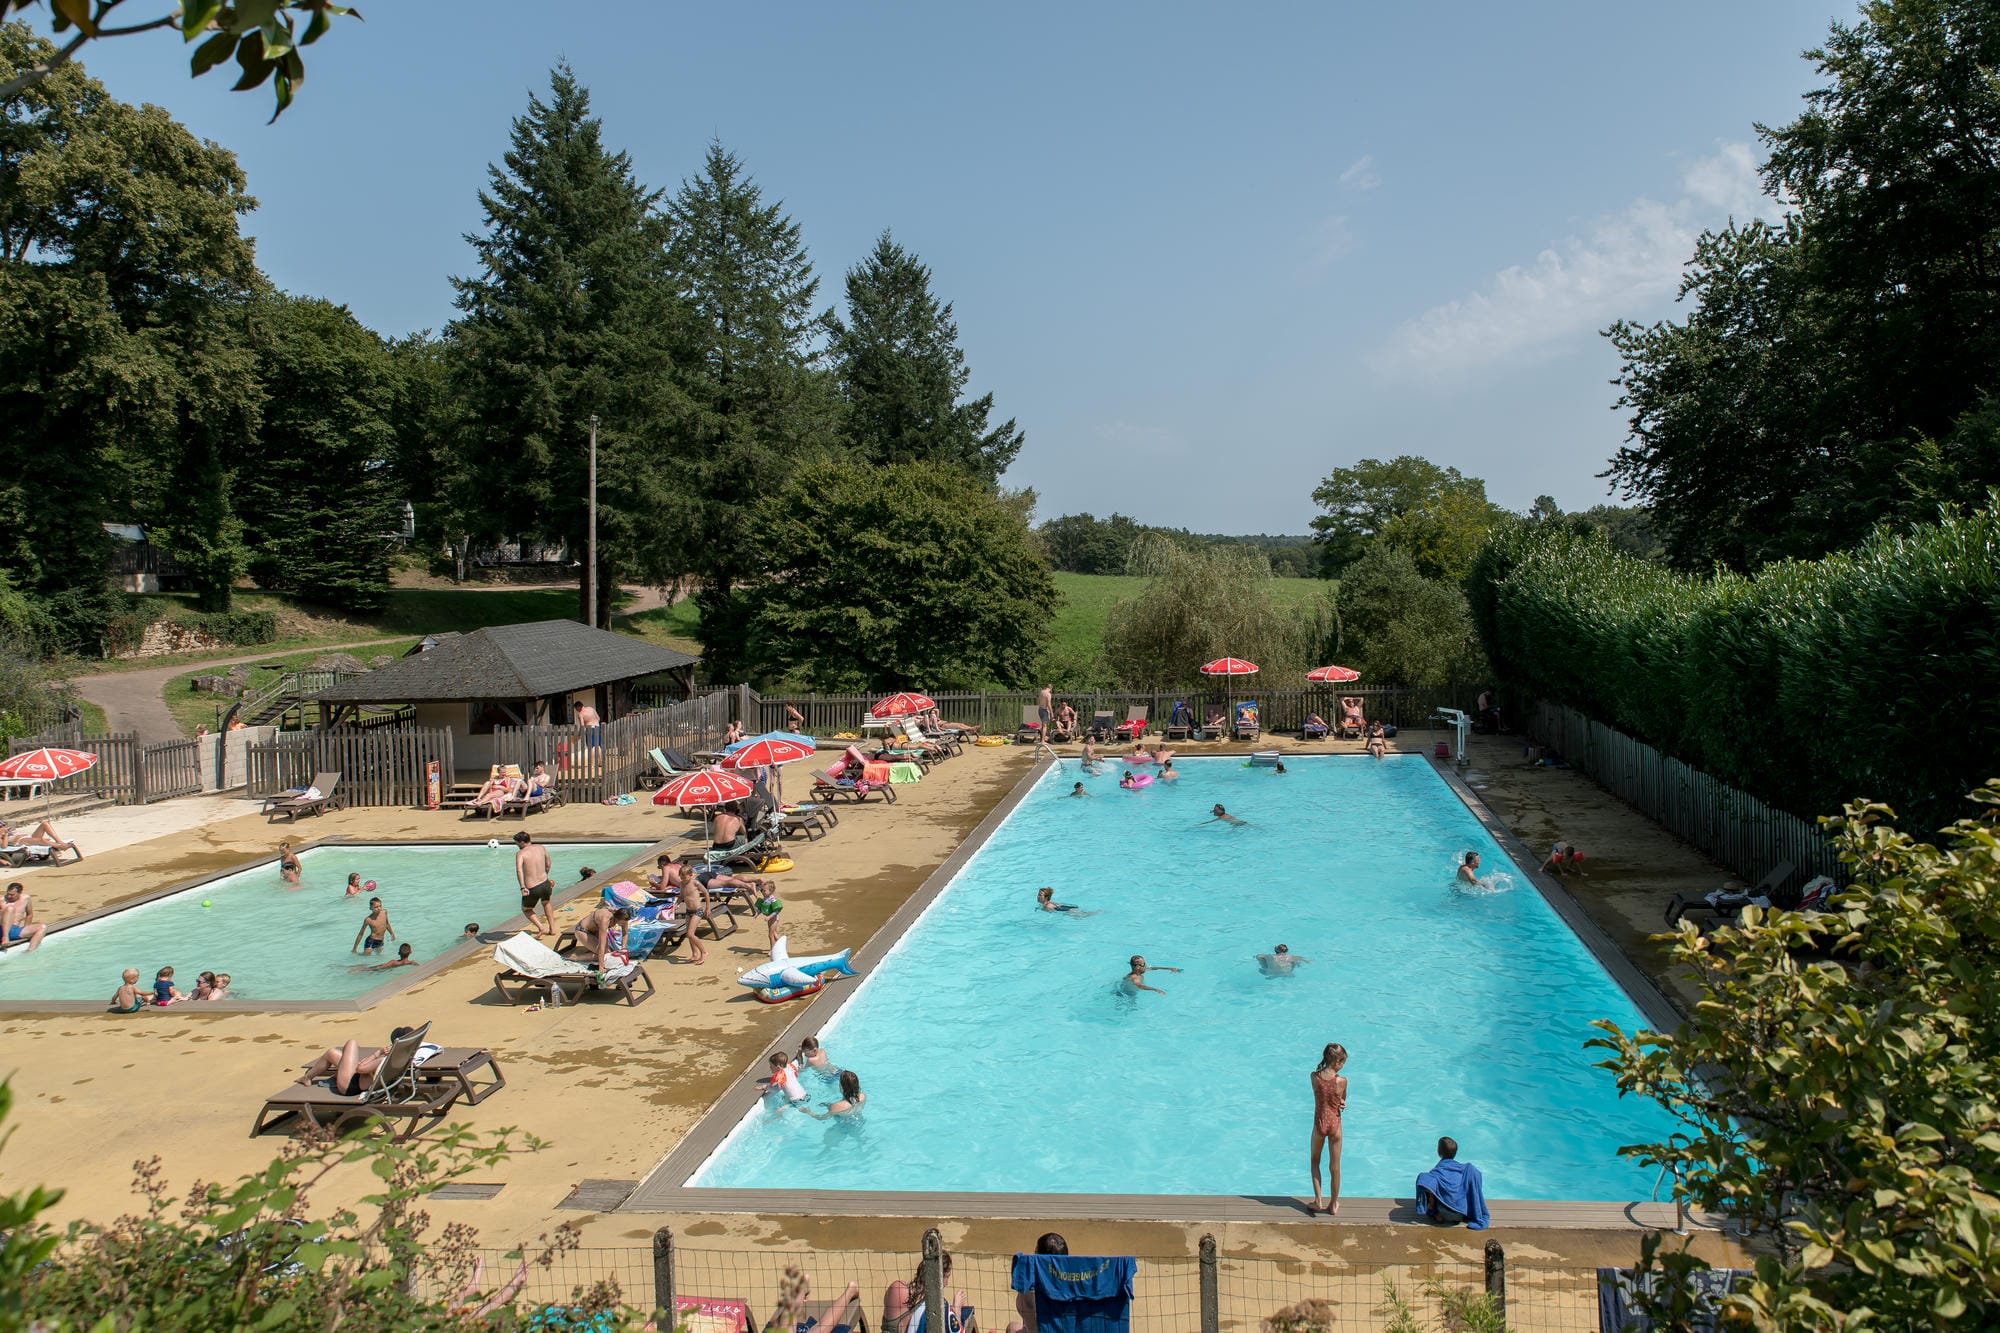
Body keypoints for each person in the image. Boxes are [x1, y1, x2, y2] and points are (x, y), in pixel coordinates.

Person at [299, 1025, 415, 1098]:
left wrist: (378, 1053)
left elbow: (360, 1068)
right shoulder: (403, 1057)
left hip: (349, 1086)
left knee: (349, 1044)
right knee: (334, 1053)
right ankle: (329, 1075)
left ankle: (308, 1077)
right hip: (363, 1081)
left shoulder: (384, 1060)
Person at [1307, 1042, 1348, 1216]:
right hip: (1335, 1125)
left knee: (1314, 1161)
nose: (1342, 1066)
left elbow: (1321, 1095)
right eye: (1342, 1062)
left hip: (1319, 1124)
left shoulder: (1314, 1077)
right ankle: (1333, 1204)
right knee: (1335, 1167)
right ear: (1337, 1061)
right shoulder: (1342, 1081)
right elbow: (1341, 1099)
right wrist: (1342, 1103)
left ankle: (1318, 1200)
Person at [1415, 1136, 1490, 1229]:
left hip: (1445, 1213)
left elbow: (1425, 1183)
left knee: (1425, 1180)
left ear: (1438, 1152)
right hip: (1463, 1212)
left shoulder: (1437, 1172)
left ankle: (1436, 1213)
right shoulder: (1464, 1169)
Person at [514, 831, 556, 938]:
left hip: (532, 887)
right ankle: (552, 929)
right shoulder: (541, 847)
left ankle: (541, 928)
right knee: (546, 903)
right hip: (545, 883)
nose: (516, 845)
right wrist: (546, 876)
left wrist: (522, 887)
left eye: (516, 843)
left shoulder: (521, 853)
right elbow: (548, 864)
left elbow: (519, 870)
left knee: (526, 909)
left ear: (522, 842)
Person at [0, 819, 80, 862]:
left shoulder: (5, 831)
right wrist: (5, 834)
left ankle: (60, 842)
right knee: (41, 840)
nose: (3, 827)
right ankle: (60, 846)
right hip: (20, 842)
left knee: (44, 824)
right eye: (1, 826)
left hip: (27, 837)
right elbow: (4, 846)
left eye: (3, 825)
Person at [799, 1069, 866, 1120]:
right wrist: (828, 1105)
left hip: (844, 1126)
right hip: (860, 1121)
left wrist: (808, 1112)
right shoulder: (862, 1096)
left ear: (842, 1087)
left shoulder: (835, 1107)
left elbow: (821, 1118)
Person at [0, 882, 45, 952]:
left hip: (14, 930)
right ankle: (5, 937)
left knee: (42, 927)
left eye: (12, 895)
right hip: (1, 929)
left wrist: (26, 927)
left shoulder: (26, 899)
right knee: (10, 909)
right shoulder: (1, 900)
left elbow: (29, 914)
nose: (9, 896)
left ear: (19, 893)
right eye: (8, 894)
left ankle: (30, 951)